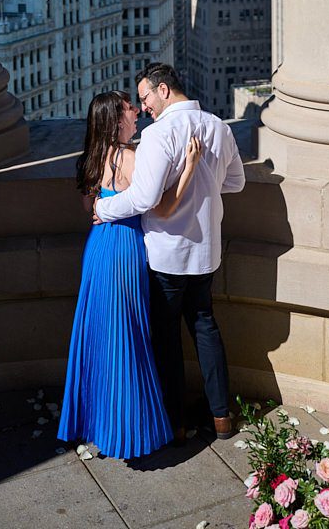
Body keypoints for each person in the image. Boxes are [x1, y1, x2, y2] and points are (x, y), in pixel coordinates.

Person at [93, 63, 246, 442]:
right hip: (207, 251)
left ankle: (174, 422)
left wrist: (103, 209)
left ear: (163, 90)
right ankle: (221, 415)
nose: (143, 107)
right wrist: (204, 186)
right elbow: (237, 182)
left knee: (165, 338)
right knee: (205, 328)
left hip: (166, 254)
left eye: (144, 97)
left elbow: (144, 198)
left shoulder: (159, 135)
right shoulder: (218, 127)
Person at [58, 89, 203, 459]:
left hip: (97, 250)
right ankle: (127, 430)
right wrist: (188, 169)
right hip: (125, 251)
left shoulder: (91, 159)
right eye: (128, 109)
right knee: (129, 338)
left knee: (100, 336)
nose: (136, 112)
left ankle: (96, 423)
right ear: (115, 119)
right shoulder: (131, 157)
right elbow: (162, 206)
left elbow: (89, 209)